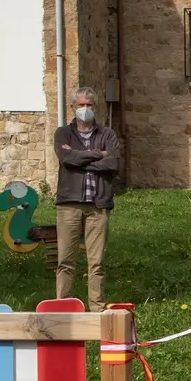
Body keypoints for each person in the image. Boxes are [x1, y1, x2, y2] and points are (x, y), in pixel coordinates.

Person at [54, 86, 121, 312]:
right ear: (73, 107)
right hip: (69, 205)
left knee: (97, 262)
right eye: (80, 105)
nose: (84, 109)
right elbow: (66, 159)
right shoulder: (63, 133)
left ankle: (97, 309)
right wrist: (98, 154)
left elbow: (113, 164)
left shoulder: (107, 134)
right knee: (65, 261)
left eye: (88, 105)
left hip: (97, 205)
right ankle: (63, 308)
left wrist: (78, 157)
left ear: (95, 107)